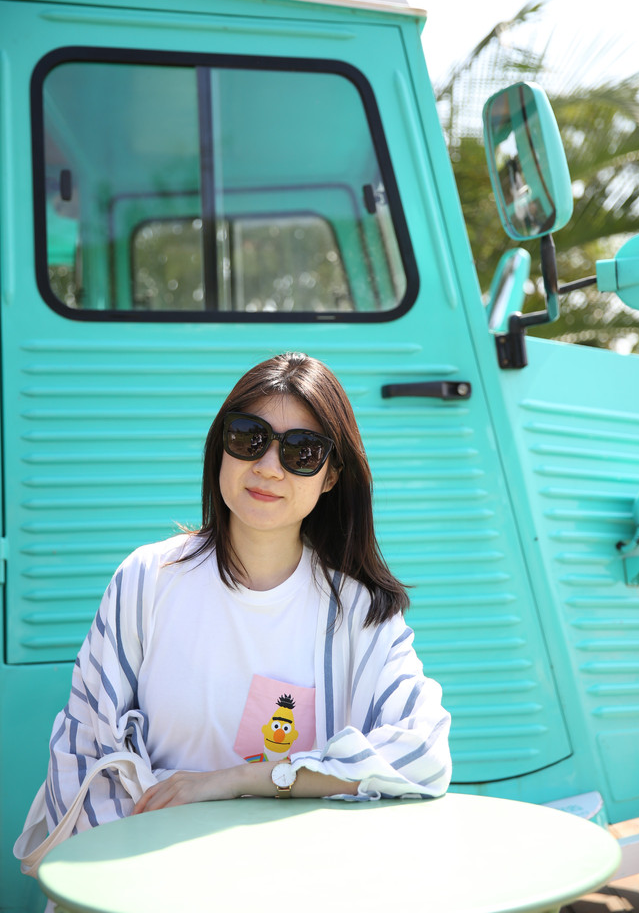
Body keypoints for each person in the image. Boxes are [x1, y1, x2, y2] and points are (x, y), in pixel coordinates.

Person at [25, 352, 451, 840]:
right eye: (250, 438)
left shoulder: (360, 611)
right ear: (221, 447)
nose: (268, 467)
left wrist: (241, 780)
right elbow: (81, 755)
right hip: (152, 866)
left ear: (331, 476)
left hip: (298, 870)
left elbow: (424, 755)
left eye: (302, 451)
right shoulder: (147, 579)